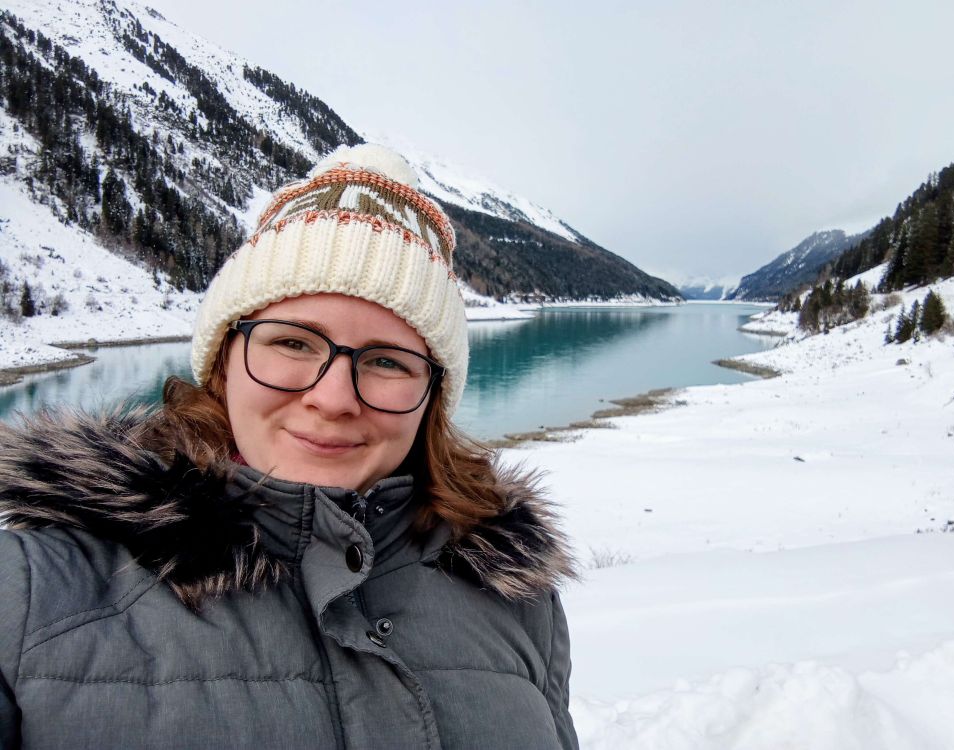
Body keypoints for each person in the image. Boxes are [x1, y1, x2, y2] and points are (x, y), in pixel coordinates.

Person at [0, 144, 578, 749]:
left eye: (386, 361)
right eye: (294, 344)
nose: (333, 399)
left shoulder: (515, 600)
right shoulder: (31, 594)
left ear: (432, 397)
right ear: (225, 362)